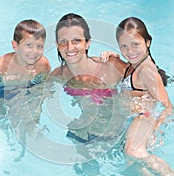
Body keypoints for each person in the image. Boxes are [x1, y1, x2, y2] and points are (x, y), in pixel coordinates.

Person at [103, 17, 174, 176]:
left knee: (134, 151)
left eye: (135, 44)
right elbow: (127, 72)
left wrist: (155, 130)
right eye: (123, 46)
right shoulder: (135, 64)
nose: (129, 51)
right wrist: (113, 58)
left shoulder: (147, 71)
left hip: (143, 117)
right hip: (133, 117)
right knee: (135, 162)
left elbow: (168, 106)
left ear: (147, 42)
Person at [50, 13, 128, 144]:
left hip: (119, 136)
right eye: (63, 42)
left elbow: (147, 78)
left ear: (87, 43)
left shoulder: (110, 67)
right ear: (57, 45)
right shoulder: (58, 76)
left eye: (76, 40)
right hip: (83, 135)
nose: (70, 48)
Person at [0, 19, 51, 99]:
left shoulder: (43, 65)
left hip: (29, 87)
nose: (34, 51)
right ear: (15, 45)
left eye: (39, 46)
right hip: (3, 90)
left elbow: (44, 86)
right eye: (29, 45)